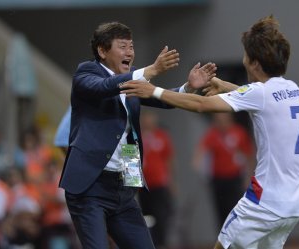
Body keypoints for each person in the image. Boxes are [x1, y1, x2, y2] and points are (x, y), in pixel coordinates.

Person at [122, 15, 299, 249]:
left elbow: (201, 105)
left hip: (264, 200)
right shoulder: (291, 89)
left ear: (255, 64)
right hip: (294, 202)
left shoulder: (260, 94)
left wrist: (153, 91)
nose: (244, 60)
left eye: (246, 56)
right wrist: (225, 86)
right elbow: (260, 98)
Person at [59, 21, 215, 249]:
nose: (130, 52)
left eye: (131, 47)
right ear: (102, 51)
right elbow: (104, 87)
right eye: (122, 46)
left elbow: (161, 98)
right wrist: (151, 70)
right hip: (90, 188)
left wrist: (188, 88)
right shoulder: (86, 72)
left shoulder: (133, 79)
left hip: (123, 189)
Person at [193, 112, 254, 229]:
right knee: (220, 210)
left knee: (236, 208)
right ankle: (224, 241)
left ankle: (237, 238)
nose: (220, 123)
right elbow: (201, 151)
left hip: (235, 178)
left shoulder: (239, 132)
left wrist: (248, 177)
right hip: (218, 179)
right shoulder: (212, 134)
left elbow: (248, 156)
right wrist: (199, 165)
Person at [139, 110, 175, 249]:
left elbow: (169, 159)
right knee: (146, 215)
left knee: (161, 215)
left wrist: (171, 181)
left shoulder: (162, 135)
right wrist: (131, 184)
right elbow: (129, 158)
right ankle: (150, 243)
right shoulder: (134, 135)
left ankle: (161, 243)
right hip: (142, 184)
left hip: (159, 183)